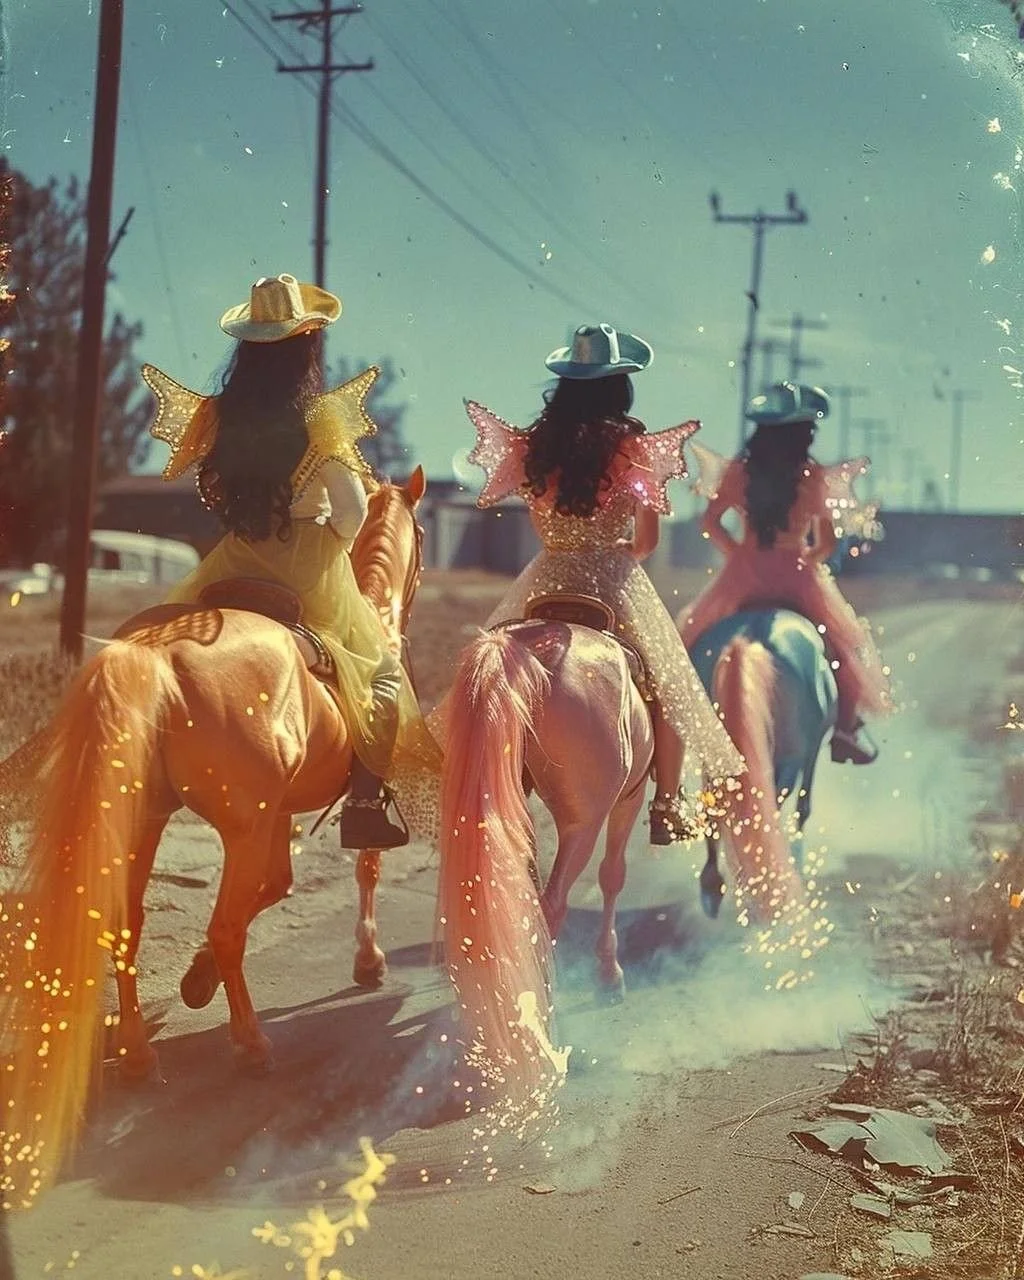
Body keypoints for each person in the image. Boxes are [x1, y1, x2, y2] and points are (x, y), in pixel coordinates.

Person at [142, 273, 438, 848]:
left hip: (234, 559)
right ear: (306, 347)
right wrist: (329, 543)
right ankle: (364, 805)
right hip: (307, 566)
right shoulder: (320, 419)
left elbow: (215, 494)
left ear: (246, 350)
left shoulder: (219, 416)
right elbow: (353, 510)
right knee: (379, 674)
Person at [465, 323, 745, 843]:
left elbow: (541, 526)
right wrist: (613, 555)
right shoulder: (635, 451)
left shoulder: (532, 449)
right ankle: (666, 804)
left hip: (547, 576)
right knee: (668, 683)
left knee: (491, 666)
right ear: (620, 387)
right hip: (613, 581)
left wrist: (568, 547)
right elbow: (647, 541)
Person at [678, 382, 892, 764]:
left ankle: (674, 720)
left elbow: (710, 522)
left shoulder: (739, 473)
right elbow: (827, 542)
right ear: (802, 434)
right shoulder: (812, 476)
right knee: (842, 647)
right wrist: (806, 558)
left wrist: (739, 553)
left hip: (744, 574)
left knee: (691, 641)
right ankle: (846, 729)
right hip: (796, 574)